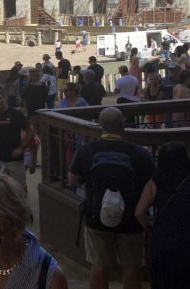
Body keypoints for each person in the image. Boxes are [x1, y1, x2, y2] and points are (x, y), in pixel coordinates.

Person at [68, 107, 154, 289]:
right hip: (131, 218)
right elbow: (152, 183)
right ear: (123, 125)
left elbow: (72, 179)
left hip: (96, 214)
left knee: (99, 265)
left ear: (101, 126)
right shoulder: (139, 153)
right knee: (131, 266)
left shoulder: (86, 150)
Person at [135, 141, 190, 289]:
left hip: (163, 237)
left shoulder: (154, 182)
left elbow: (139, 212)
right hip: (187, 236)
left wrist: (149, 229)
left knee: (164, 279)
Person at [0, 89, 33, 190]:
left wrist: (21, 148)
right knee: (0, 190)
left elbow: (30, 132)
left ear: (5, 99)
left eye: (0, 98)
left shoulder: (15, 114)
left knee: (20, 189)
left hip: (16, 160)